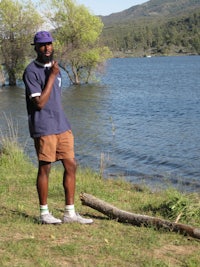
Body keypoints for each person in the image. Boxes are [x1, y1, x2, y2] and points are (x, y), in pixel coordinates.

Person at [23, 31, 93, 225]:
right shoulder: (31, 71)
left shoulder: (56, 68)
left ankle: (69, 213)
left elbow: (55, 98)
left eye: (49, 44)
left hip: (61, 125)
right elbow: (39, 103)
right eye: (42, 45)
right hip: (44, 126)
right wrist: (52, 76)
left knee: (71, 165)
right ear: (36, 48)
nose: (47, 48)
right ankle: (44, 213)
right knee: (45, 168)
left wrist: (54, 73)